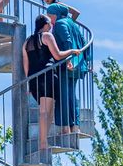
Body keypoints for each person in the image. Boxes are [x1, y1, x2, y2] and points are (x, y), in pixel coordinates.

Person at [22, 14, 81, 152]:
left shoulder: (26, 41)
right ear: (45, 24)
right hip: (47, 75)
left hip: (33, 79)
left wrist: (28, 81)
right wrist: (72, 51)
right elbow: (57, 55)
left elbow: (26, 63)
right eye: (49, 23)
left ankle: (43, 141)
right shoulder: (47, 36)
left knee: (44, 111)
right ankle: (43, 143)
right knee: (47, 112)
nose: (51, 26)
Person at [48, 3, 88, 135]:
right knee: (71, 96)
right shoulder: (73, 24)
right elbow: (83, 42)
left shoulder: (60, 23)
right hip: (78, 65)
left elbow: (67, 41)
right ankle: (75, 127)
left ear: (55, 14)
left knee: (62, 96)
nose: (50, 19)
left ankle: (65, 128)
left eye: (50, 16)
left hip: (66, 64)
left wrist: (69, 60)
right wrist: (87, 61)